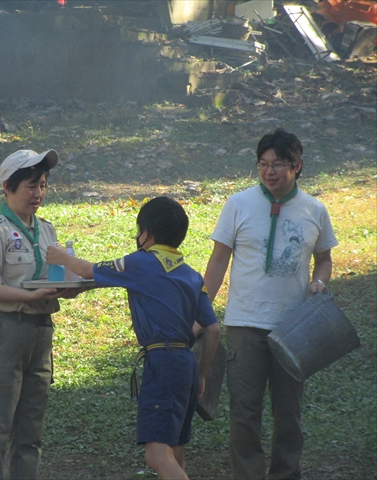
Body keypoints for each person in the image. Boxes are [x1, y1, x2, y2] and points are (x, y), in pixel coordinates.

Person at [46, 196, 221, 480]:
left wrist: (62, 258)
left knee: (156, 455)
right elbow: (212, 330)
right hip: (186, 363)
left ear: (147, 233)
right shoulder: (190, 275)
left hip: (161, 361)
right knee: (175, 449)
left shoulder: (142, 262)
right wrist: (201, 376)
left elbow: (89, 270)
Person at [203, 128, 338, 480]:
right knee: (244, 413)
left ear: (297, 166)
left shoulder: (314, 210)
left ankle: (285, 474)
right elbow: (218, 261)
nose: (269, 171)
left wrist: (319, 281)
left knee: (288, 414)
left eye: (278, 164)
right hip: (245, 324)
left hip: (293, 327)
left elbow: (324, 259)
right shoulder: (238, 204)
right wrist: (201, 309)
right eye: (263, 164)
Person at [0, 149, 77, 480]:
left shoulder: (46, 230)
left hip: (40, 331)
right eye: (31, 186)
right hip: (4, 330)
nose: (39, 194)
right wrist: (29, 295)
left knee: (31, 431)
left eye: (43, 185)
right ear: (7, 187)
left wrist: (74, 285)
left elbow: (57, 278)